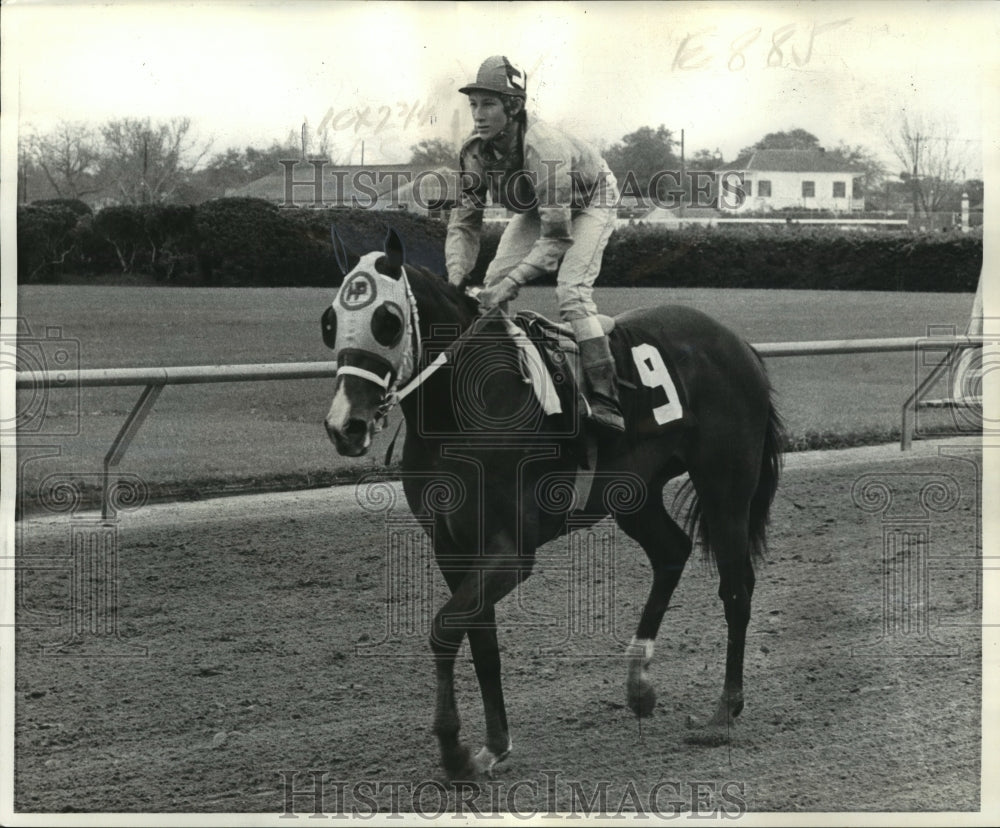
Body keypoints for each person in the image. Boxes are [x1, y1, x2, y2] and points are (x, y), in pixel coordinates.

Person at [445, 55, 625, 432]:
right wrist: (456, 277)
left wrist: (511, 285)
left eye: (489, 103)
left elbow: (556, 238)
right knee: (491, 284)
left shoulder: (545, 147)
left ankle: (608, 401)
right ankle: (507, 385)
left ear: (513, 106)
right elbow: (464, 223)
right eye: (473, 104)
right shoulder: (473, 152)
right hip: (538, 205)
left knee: (572, 292)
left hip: (593, 198)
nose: (478, 114)